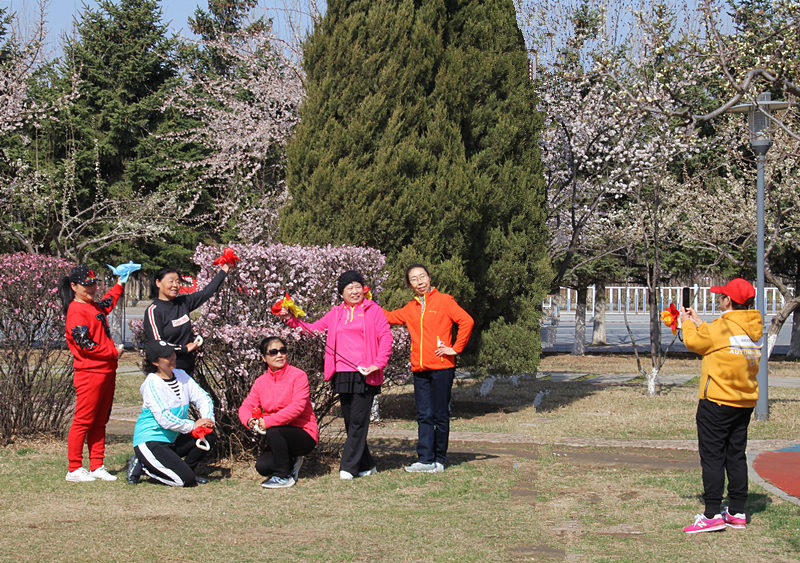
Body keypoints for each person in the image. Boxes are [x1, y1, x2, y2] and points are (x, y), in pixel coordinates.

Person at [282, 270, 393, 480]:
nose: (354, 291)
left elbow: (386, 338)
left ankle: (348, 467)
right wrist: (291, 320)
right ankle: (367, 465)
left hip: (365, 373)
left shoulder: (373, 310)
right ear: (341, 293)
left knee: (359, 421)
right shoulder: (336, 313)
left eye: (358, 286)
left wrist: (377, 364)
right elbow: (313, 329)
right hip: (342, 373)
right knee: (351, 423)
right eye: (349, 288)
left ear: (364, 288)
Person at [679, 278, 762, 533]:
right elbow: (721, 339)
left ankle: (712, 513)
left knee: (713, 456)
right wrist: (700, 322)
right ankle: (737, 510)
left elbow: (695, 343)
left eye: (721, 296)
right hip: (744, 402)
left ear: (728, 300)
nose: (719, 299)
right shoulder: (752, 327)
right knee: (736, 455)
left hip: (716, 402)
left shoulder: (721, 328)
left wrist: (685, 323)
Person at [384, 264, 474, 473]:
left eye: (422, 276)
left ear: (429, 277)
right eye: (414, 279)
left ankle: (439, 460)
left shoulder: (444, 301)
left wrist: (455, 349)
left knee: (440, 414)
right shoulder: (410, 308)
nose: (419, 282)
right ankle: (425, 459)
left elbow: (466, 321)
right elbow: (386, 316)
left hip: (442, 368)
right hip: (420, 369)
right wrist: (366, 303)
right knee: (424, 415)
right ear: (410, 284)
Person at [59, 265, 126, 483]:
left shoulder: (91, 306)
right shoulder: (76, 310)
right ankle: (74, 467)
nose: (92, 288)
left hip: (106, 371)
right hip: (90, 372)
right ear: (74, 286)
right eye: (87, 285)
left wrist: (120, 283)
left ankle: (97, 465)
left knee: (99, 420)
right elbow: (86, 345)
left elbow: (107, 303)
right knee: (83, 420)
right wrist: (113, 351)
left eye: (93, 284)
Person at [130, 340, 216, 487]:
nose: (172, 358)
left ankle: (186, 470)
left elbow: (203, 398)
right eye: (167, 357)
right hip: (152, 440)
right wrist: (193, 425)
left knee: (208, 434)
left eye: (172, 353)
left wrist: (207, 418)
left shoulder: (181, 375)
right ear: (155, 362)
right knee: (185, 481)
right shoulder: (151, 384)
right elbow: (164, 418)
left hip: (173, 438)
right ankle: (144, 466)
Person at [238, 336, 319, 488]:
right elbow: (246, 406)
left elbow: (297, 407)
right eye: (273, 352)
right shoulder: (261, 382)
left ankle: (284, 476)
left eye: (283, 350)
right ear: (264, 357)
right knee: (263, 467)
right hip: (278, 434)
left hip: (303, 433)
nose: (279, 355)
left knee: (274, 430)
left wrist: (268, 421)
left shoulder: (298, 376)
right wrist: (250, 420)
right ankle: (292, 460)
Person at [143, 262, 233, 374]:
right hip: (166, 371)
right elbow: (157, 343)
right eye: (171, 281)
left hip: (187, 368)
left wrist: (224, 271)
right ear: (158, 283)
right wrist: (184, 348)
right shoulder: (154, 311)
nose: (175, 285)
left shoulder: (183, 303)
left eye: (178, 282)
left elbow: (206, 292)